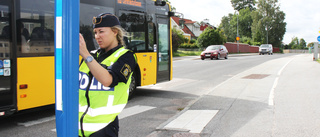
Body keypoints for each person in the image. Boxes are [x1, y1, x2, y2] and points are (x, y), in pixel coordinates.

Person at [78, 13, 136, 137]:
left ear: (115, 32)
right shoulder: (92, 56)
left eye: (101, 31)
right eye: (95, 32)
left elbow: (107, 80)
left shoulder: (126, 56)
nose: (97, 36)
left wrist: (85, 54)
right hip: (79, 128)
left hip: (104, 128)